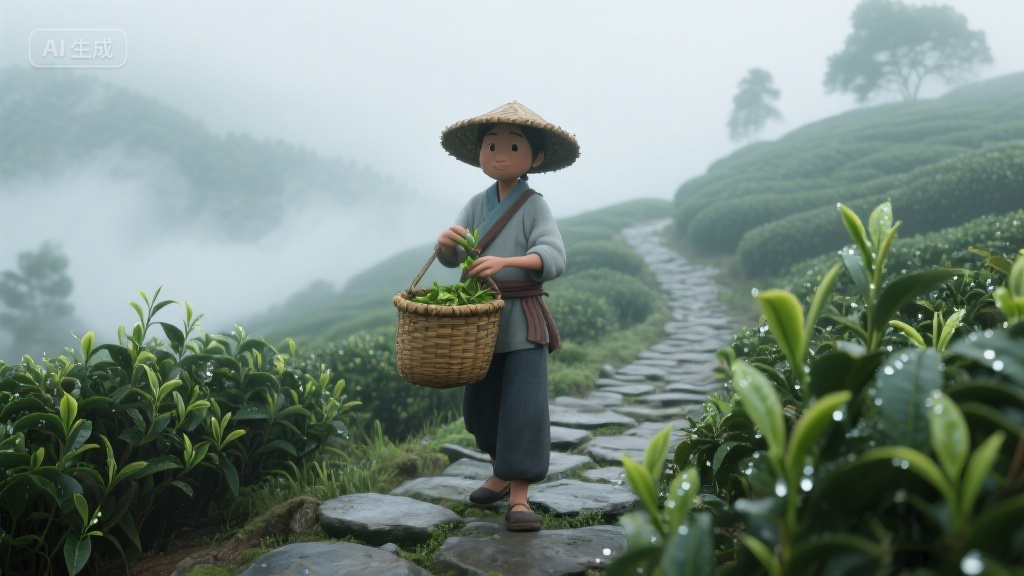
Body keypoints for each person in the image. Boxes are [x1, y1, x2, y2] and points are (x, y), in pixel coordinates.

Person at [435, 101, 580, 532]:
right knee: (482, 406)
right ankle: (499, 473)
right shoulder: (476, 204)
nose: (499, 153)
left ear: (533, 157)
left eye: (512, 146)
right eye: (491, 145)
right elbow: (452, 256)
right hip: (480, 322)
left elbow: (554, 256)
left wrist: (505, 262)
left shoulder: (534, 205)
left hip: (520, 317)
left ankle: (519, 497)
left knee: (522, 406)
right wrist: (446, 244)